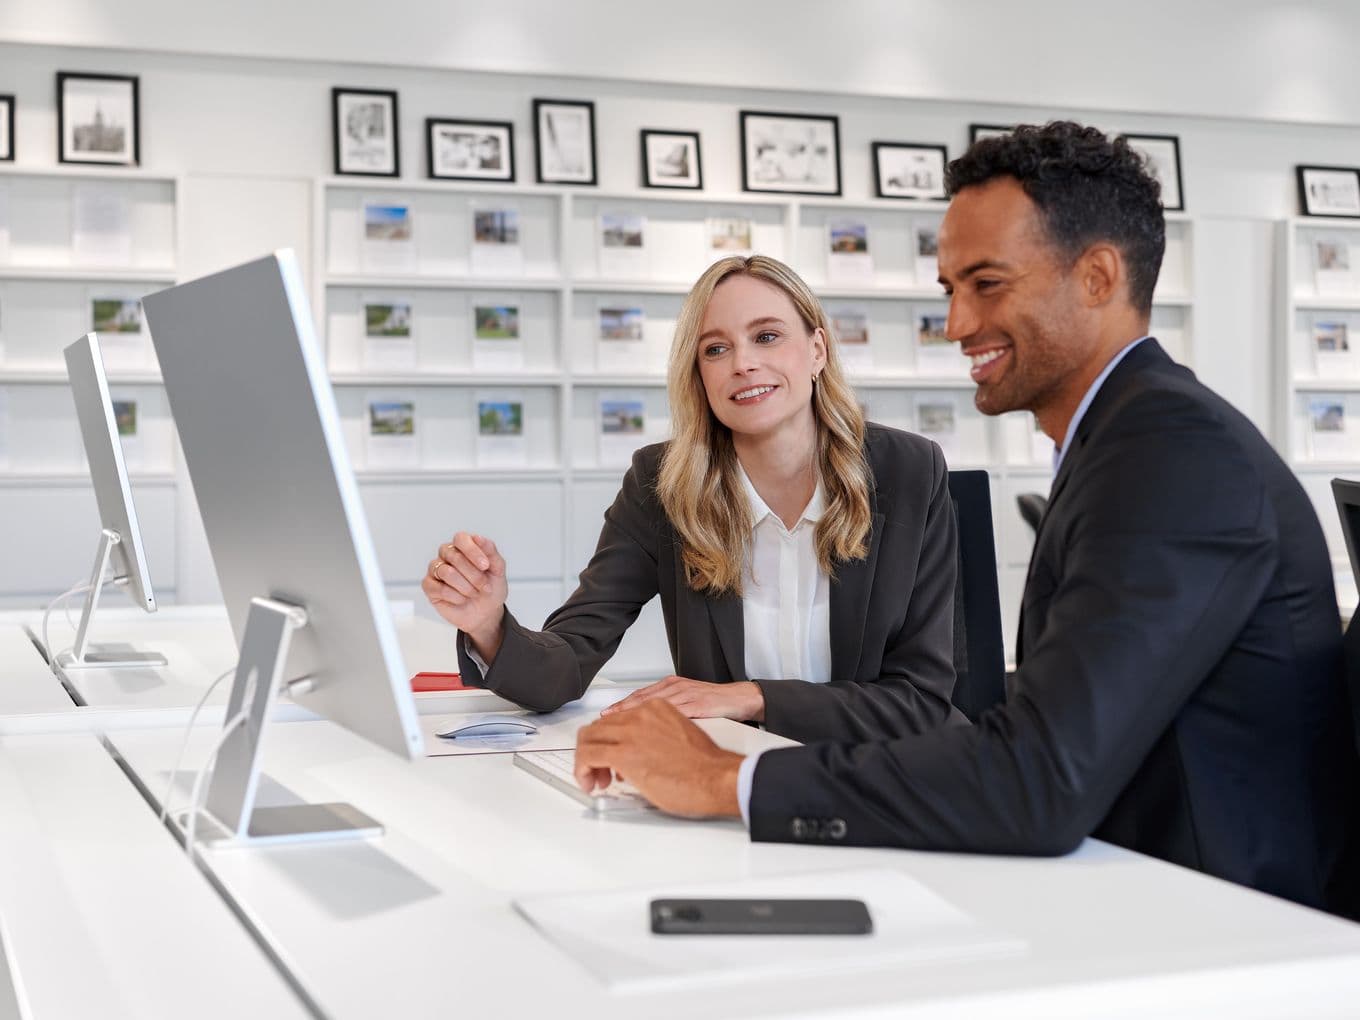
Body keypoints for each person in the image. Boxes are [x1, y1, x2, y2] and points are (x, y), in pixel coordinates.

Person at [572, 121, 1360, 918]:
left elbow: (1038, 779)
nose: (955, 325)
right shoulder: (1127, 438)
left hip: (1224, 929)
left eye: (987, 284)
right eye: (951, 289)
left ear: (1096, 277)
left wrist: (721, 779)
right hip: (1142, 890)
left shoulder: (1171, 453)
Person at [422, 254, 965, 745]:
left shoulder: (909, 471)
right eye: (716, 348)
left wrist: (751, 696)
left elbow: (919, 699)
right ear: (699, 374)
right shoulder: (660, 484)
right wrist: (488, 625)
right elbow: (570, 659)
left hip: (889, 772)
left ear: (818, 349)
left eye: (768, 336)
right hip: (736, 771)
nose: (743, 363)